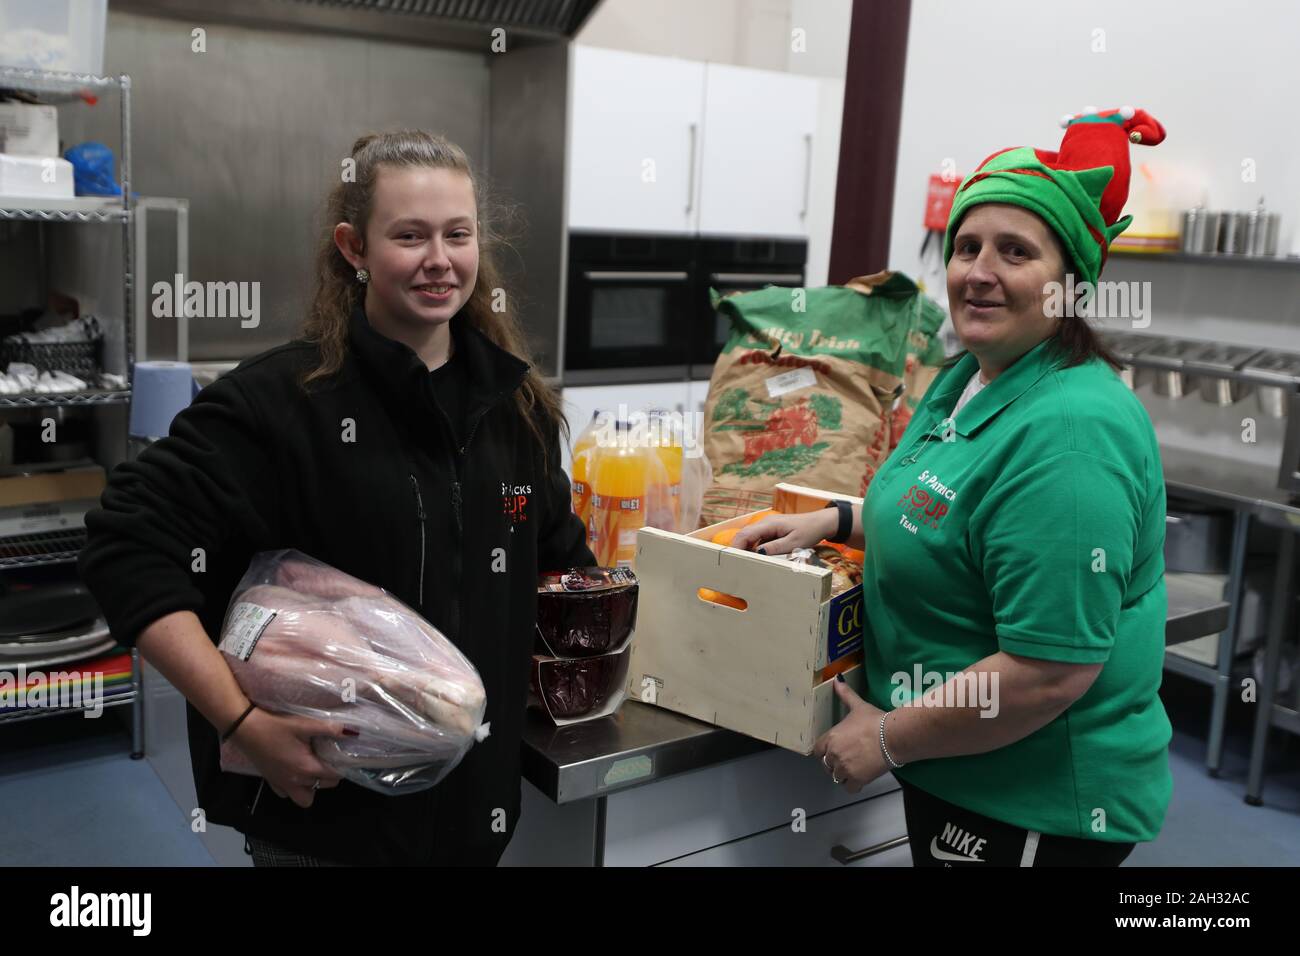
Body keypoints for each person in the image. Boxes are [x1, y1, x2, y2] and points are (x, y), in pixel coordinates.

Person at [77, 130, 595, 867]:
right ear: (354, 247)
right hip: (325, 823)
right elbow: (124, 543)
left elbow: (560, 566)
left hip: (475, 815)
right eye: (409, 235)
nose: (439, 260)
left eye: (458, 234)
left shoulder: (516, 411)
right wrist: (242, 718)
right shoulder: (280, 406)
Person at [733, 107, 1172, 867]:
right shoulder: (972, 378)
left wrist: (884, 739)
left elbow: (1047, 672)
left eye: (1015, 251)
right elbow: (955, 517)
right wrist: (837, 519)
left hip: (1032, 799)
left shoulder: (1070, 435)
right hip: (963, 768)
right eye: (967, 246)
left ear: (1069, 285)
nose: (979, 270)